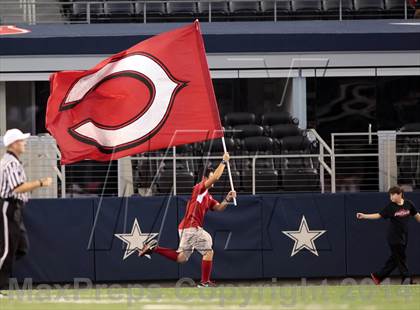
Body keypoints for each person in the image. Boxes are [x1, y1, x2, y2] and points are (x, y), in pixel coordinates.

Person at [139, 152, 236, 287]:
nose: (213, 178)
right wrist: (224, 162)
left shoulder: (208, 196)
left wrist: (227, 198)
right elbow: (215, 179)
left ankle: (155, 248)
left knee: (181, 258)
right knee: (209, 251)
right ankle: (204, 282)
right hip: (191, 227)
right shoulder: (199, 189)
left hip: (186, 228)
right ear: (204, 178)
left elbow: (219, 208)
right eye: (211, 175)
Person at [0, 129, 52, 295]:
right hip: (7, 207)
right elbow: (17, 188)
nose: (24, 143)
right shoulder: (11, 163)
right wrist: (41, 182)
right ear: (14, 143)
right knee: (7, 250)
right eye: (22, 141)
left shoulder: (11, 161)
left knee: (21, 247)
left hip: (15, 208)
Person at [356, 186, 420, 285]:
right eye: (390, 195)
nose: (391, 197)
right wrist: (364, 216)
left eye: (392, 195)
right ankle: (407, 281)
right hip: (393, 237)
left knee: (396, 259)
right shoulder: (391, 207)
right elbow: (378, 215)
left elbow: (417, 216)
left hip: (404, 236)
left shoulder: (409, 204)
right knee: (401, 258)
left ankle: (377, 276)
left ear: (399, 194)